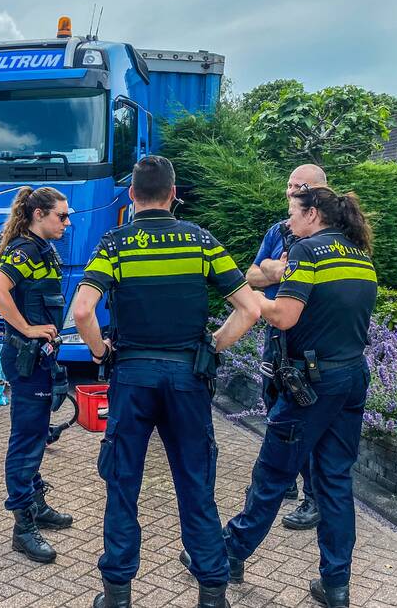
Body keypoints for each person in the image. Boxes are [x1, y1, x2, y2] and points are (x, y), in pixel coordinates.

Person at [72, 156, 261, 608]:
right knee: (196, 486)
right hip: (186, 378)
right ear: (174, 194)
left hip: (132, 377)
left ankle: (117, 596)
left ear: (132, 196)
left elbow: (82, 311)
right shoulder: (199, 241)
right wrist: (213, 345)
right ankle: (212, 593)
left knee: (123, 486)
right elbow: (250, 309)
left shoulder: (116, 244)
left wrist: (101, 352)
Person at [223, 186, 377, 608]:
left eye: (293, 212)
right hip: (351, 378)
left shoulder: (309, 251)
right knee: (335, 482)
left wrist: (249, 297)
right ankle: (336, 585)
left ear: (312, 214)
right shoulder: (359, 254)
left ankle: (229, 554)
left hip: (310, 385)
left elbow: (286, 315)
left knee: (273, 472)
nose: (288, 222)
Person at [0, 186, 74, 564]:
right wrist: (27, 328)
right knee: (25, 440)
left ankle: (36, 504)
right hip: (26, 357)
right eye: (61, 216)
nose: (67, 223)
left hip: (40, 357)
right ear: (39, 214)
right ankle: (23, 528)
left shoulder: (43, 249)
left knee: (36, 435)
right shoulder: (24, 252)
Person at [246, 163, 327, 531]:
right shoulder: (279, 231)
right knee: (274, 400)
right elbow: (251, 275)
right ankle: (286, 479)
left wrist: (275, 274)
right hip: (274, 336)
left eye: (301, 186)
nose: (292, 191)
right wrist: (275, 270)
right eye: (290, 185)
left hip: (308, 335)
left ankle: (312, 496)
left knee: (305, 412)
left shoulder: (329, 238)